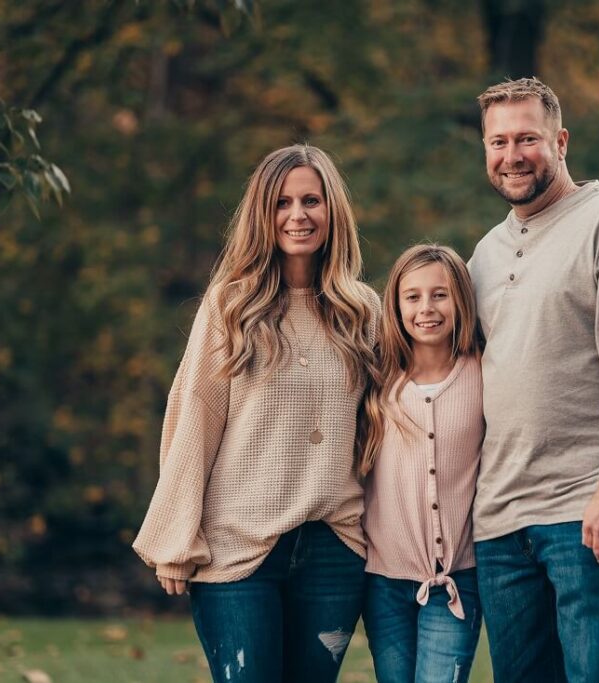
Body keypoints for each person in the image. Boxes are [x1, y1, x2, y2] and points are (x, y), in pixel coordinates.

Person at [132, 144, 381, 683]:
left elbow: (384, 431)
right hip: (236, 547)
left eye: (311, 200)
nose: (298, 215)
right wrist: (176, 539)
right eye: (282, 202)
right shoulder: (231, 305)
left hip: (333, 549)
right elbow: (193, 418)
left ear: (332, 211)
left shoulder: (363, 311)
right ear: (262, 215)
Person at [467, 77, 599, 682]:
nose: (512, 156)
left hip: (585, 506)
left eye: (528, 138)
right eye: (498, 142)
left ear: (560, 141)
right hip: (500, 520)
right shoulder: (483, 255)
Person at [357, 244, 485, 683]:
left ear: (460, 301)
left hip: (455, 582)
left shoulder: (483, 372)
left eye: (440, 295)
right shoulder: (375, 380)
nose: (426, 308)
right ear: (395, 304)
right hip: (383, 583)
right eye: (412, 297)